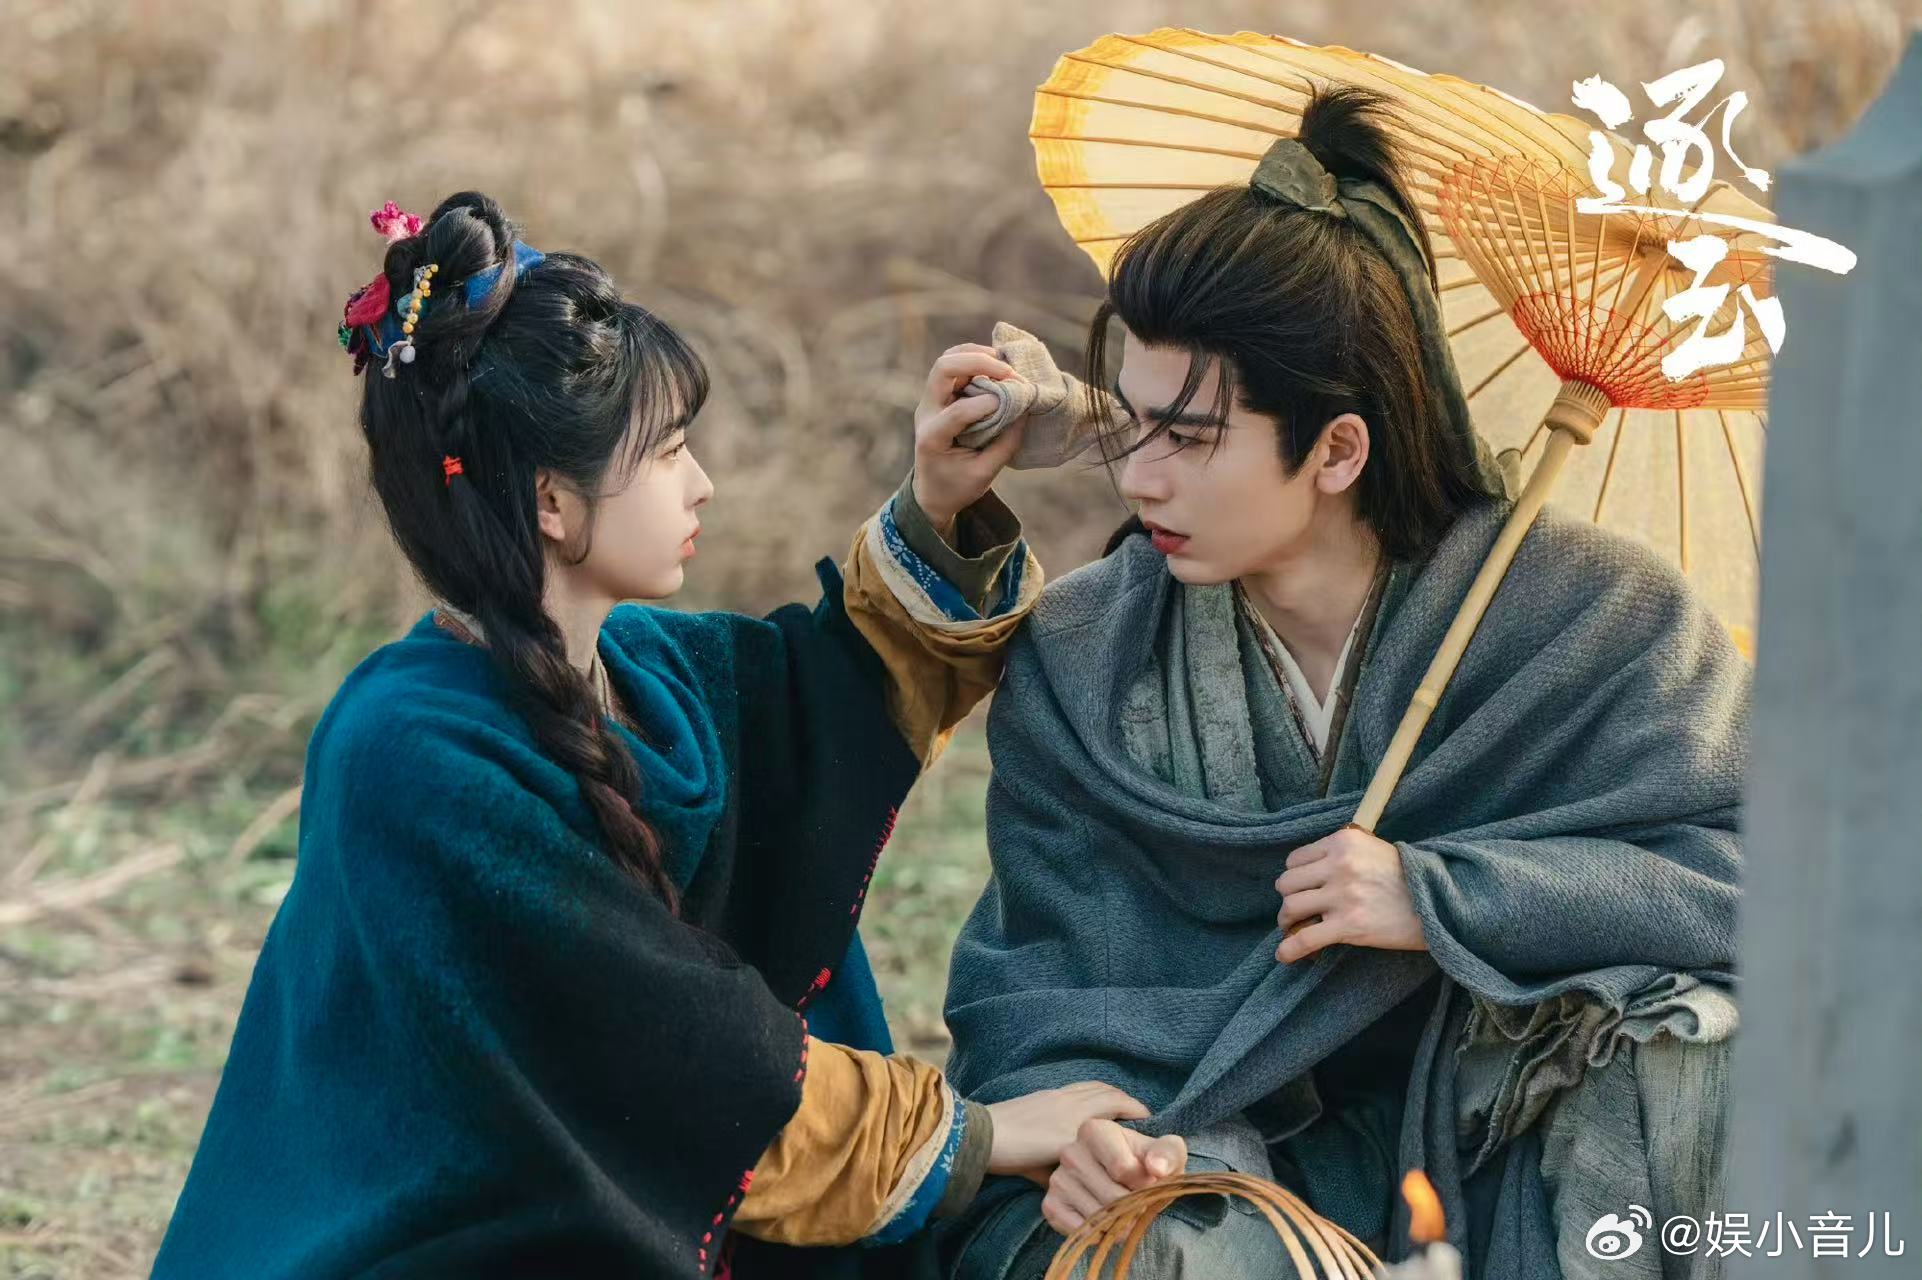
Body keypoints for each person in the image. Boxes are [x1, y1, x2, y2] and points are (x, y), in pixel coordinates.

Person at [150, 191, 1146, 1280]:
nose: (702, 482)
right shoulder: (411, 753)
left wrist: (940, 494)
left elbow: (829, 700)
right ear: (550, 502)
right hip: (438, 1241)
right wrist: (981, 1134)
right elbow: (674, 1052)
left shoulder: (645, 665)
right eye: (669, 450)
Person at [934, 88, 1747, 1280]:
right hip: (1206, 1132)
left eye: (1189, 437)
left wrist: (1447, 896)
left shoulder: (1594, 616)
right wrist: (1084, 1121)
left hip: (1501, 1132)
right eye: (1135, 425)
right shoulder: (1087, 648)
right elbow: (1041, 968)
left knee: (1706, 1052)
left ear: (1337, 449)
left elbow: (1752, 883)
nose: (1141, 478)